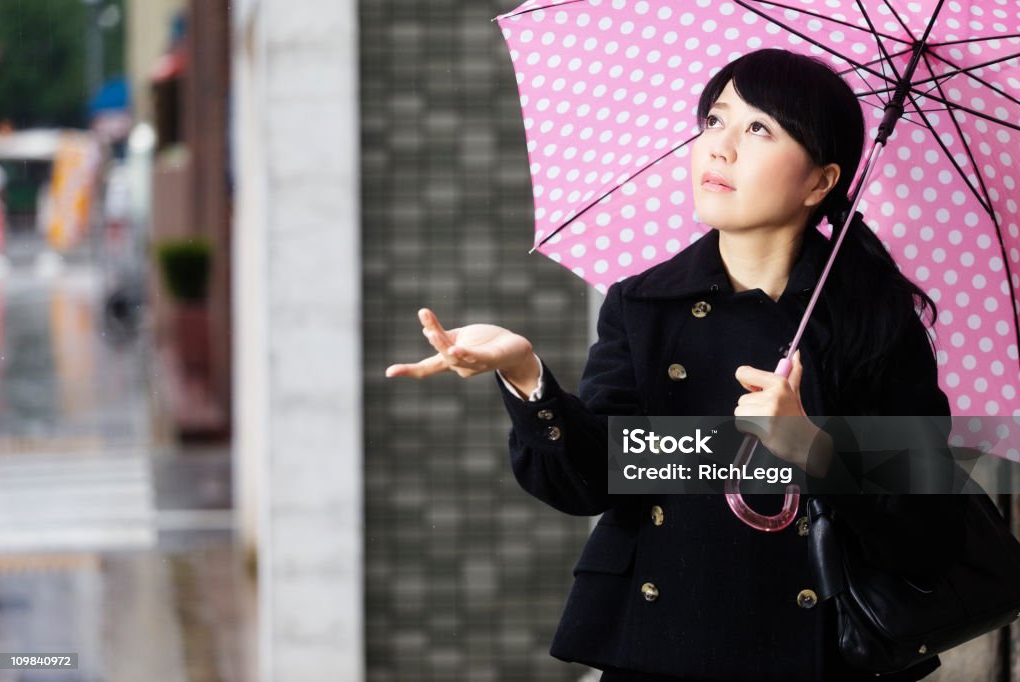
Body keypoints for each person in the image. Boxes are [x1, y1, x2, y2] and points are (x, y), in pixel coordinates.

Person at [386, 49, 965, 682]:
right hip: (661, 648)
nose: (720, 148)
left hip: (819, 656)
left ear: (820, 183)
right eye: (715, 120)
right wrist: (529, 379)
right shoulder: (645, 305)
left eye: (758, 129)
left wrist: (813, 448)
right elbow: (591, 481)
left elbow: (927, 530)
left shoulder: (872, 319)